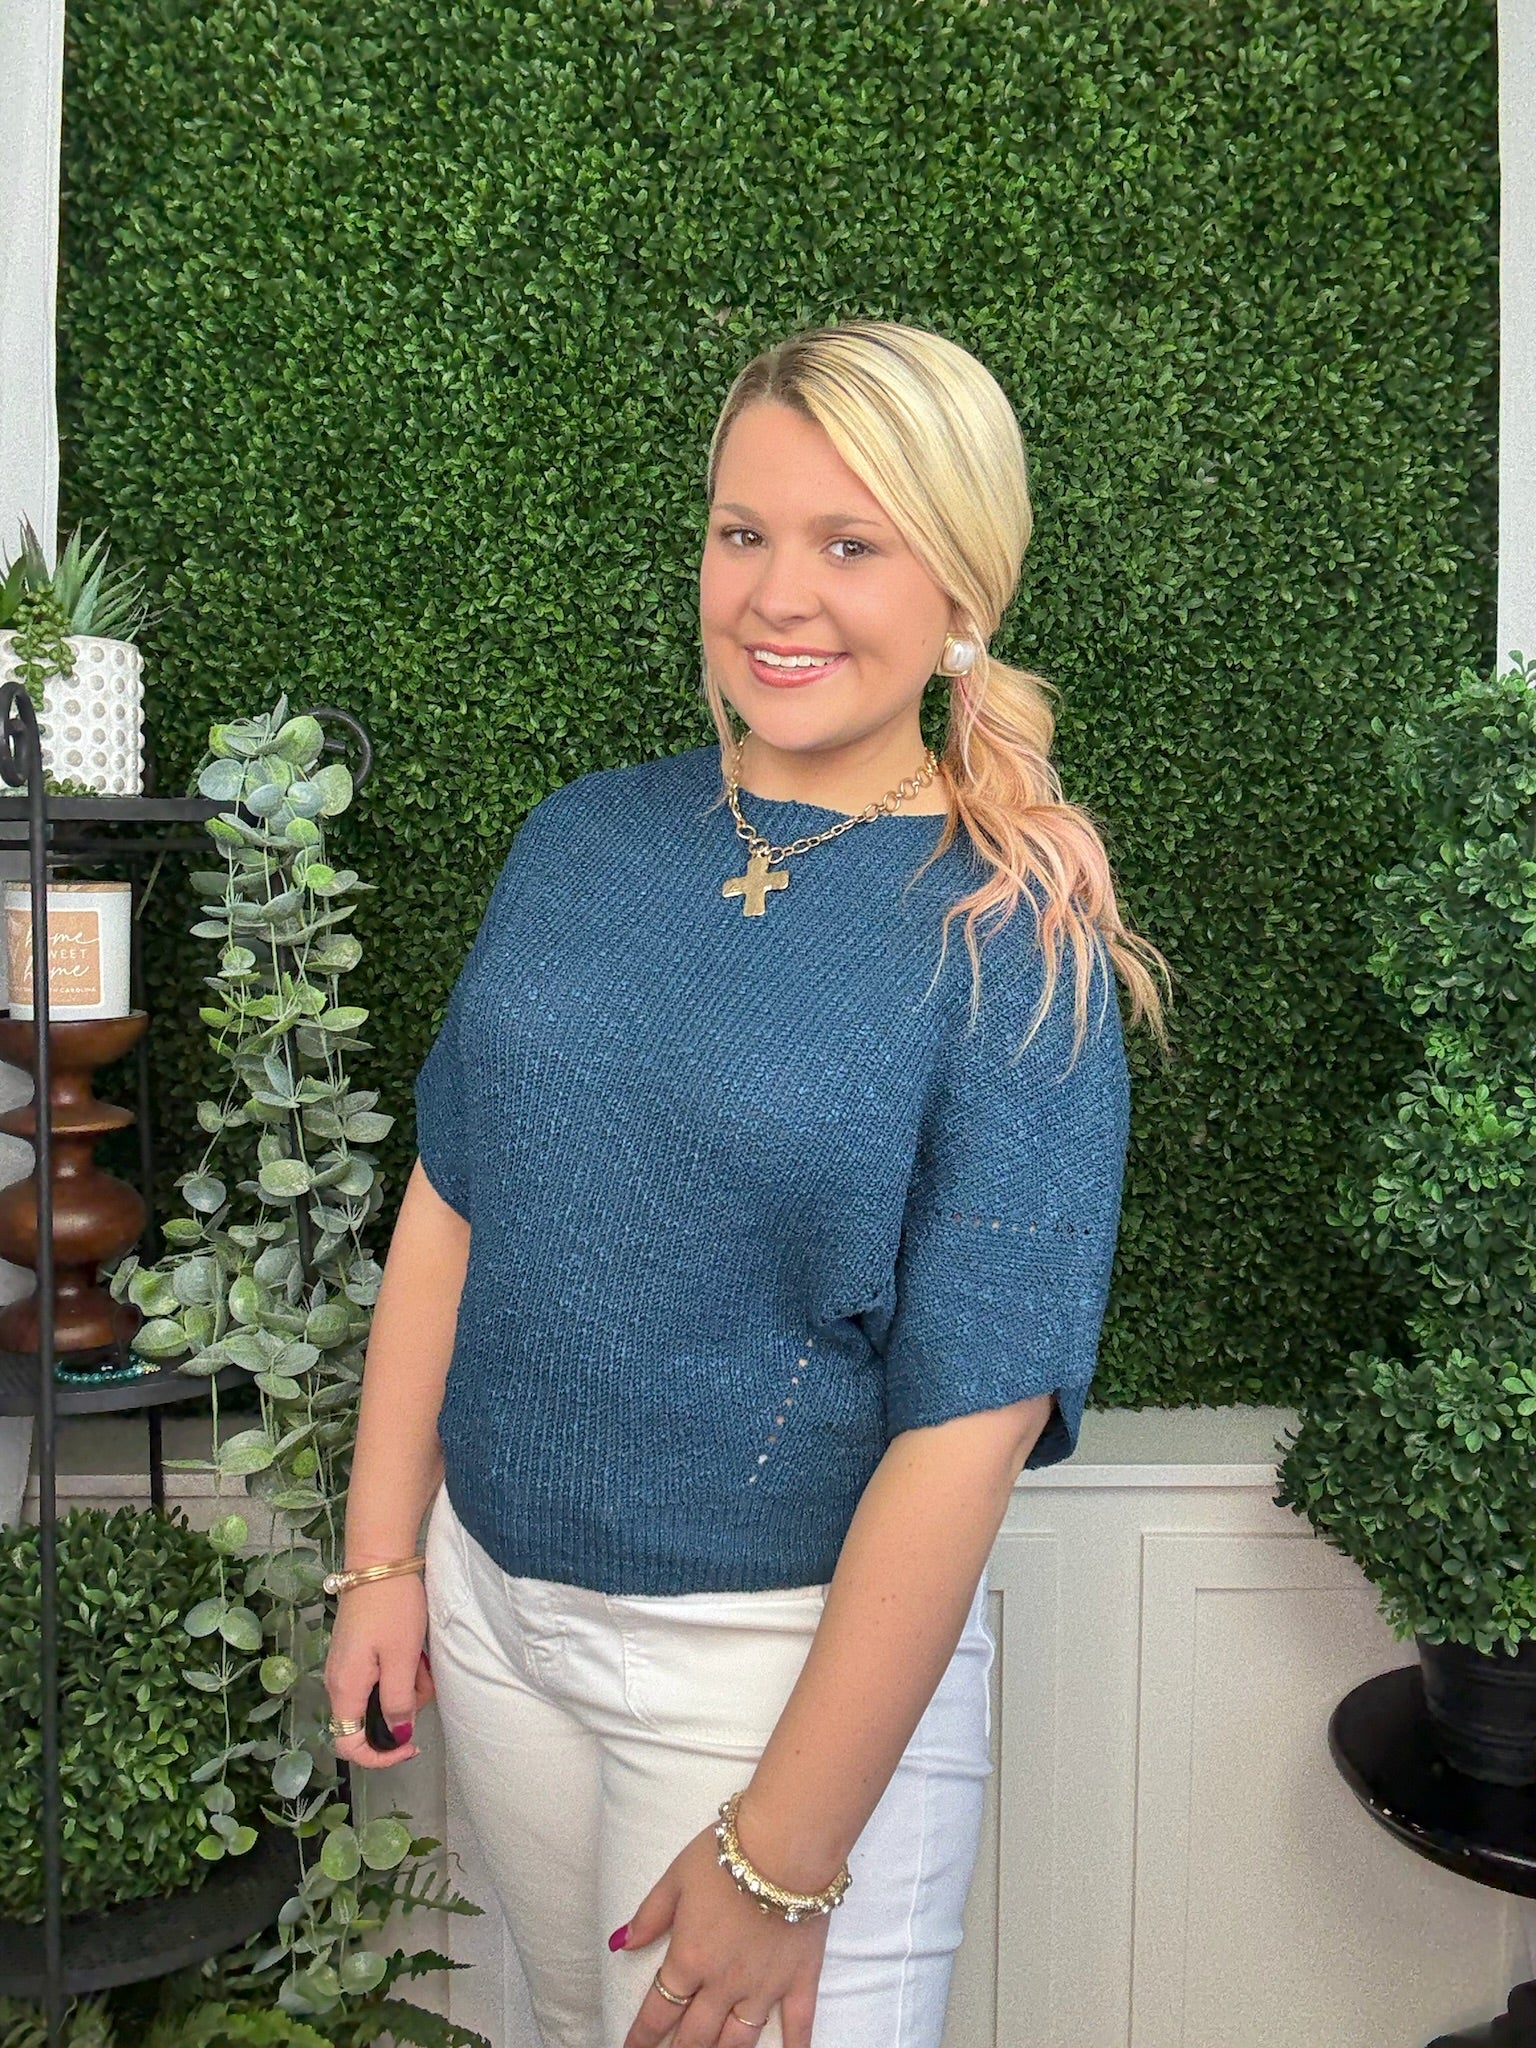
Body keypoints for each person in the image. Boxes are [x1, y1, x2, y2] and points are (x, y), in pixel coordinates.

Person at [323, 318, 1172, 2048]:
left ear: (963, 588)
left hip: (772, 1675)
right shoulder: (581, 838)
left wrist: (782, 1860)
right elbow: (454, 1200)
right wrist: (383, 1562)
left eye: (851, 545)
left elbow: (972, 1427)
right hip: (493, 1614)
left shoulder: (1013, 939)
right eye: (743, 533)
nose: (779, 596)